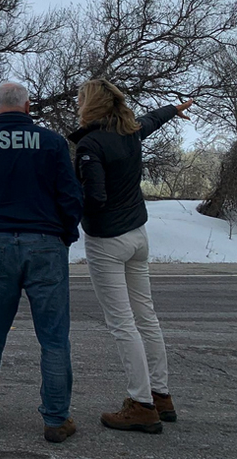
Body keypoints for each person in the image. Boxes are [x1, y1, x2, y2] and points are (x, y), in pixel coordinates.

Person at [0, 82, 84, 444]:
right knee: (54, 338)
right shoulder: (53, 142)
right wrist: (64, 234)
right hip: (46, 244)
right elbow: (70, 195)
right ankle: (56, 420)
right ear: (28, 107)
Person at [68, 79, 192, 434]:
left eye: (80, 99)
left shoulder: (91, 144)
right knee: (146, 317)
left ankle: (141, 404)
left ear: (89, 105)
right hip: (138, 236)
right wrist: (175, 109)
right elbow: (151, 120)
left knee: (123, 324)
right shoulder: (129, 131)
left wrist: (67, 208)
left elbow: (95, 197)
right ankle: (161, 394)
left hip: (107, 241)